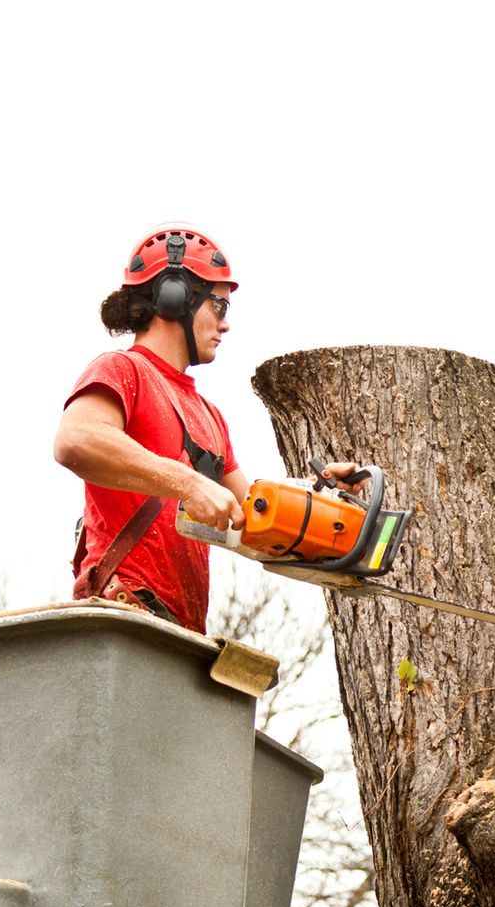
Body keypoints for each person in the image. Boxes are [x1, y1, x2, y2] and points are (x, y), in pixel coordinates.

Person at [54, 224, 354, 632]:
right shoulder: (123, 371)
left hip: (179, 630)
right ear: (174, 298)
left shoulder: (209, 416)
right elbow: (76, 440)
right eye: (219, 307)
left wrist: (319, 501)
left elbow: (250, 518)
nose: (225, 324)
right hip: (121, 616)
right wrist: (189, 483)